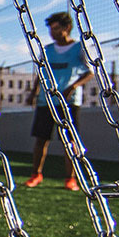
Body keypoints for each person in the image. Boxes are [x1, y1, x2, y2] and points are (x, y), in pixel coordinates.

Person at [25, 11, 92, 191]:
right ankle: (36, 174)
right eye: (50, 29)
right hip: (45, 102)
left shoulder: (79, 49)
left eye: (56, 28)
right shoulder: (47, 50)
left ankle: (70, 178)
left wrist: (74, 86)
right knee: (41, 140)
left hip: (69, 103)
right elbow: (41, 73)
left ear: (67, 28)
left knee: (70, 142)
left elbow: (91, 72)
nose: (52, 33)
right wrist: (33, 92)